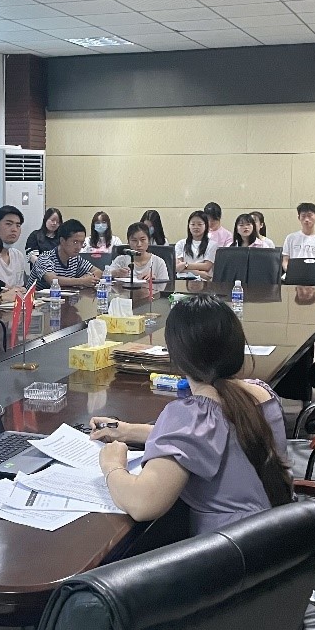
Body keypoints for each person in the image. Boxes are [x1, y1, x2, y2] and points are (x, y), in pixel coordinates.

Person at [90, 294, 294, 535]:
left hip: (231, 548)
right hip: (280, 535)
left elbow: (142, 504)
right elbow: (216, 437)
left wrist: (112, 465)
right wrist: (129, 431)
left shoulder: (195, 415)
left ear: (176, 357)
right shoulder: (260, 393)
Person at [33, 219, 101, 288]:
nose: (79, 247)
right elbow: (53, 280)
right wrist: (82, 281)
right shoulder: (45, 258)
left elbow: (98, 271)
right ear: (62, 241)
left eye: (81, 243)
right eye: (75, 242)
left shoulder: (75, 259)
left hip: (64, 294)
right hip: (38, 295)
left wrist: (89, 277)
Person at [280, 202, 315, 271]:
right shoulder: (290, 238)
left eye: (310, 216)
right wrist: (289, 272)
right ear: (299, 217)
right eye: (303, 216)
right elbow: (285, 260)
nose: (306, 219)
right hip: (294, 273)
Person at [0, 205, 31, 289]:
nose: (14, 229)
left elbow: (19, 287)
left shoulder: (18, 256)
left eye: (18, 225)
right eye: (8, 224)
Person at [175, 210, 216, 279]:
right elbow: (177, 267)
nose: (196, 227)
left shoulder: (212, 244)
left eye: (200, 224)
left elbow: (207, 266)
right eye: (193, 224)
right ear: (189, 226)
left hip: (204, 281)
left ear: (206, 226)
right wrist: (198, 273)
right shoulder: (181, 244)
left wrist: (185, 265)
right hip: (183, 280)